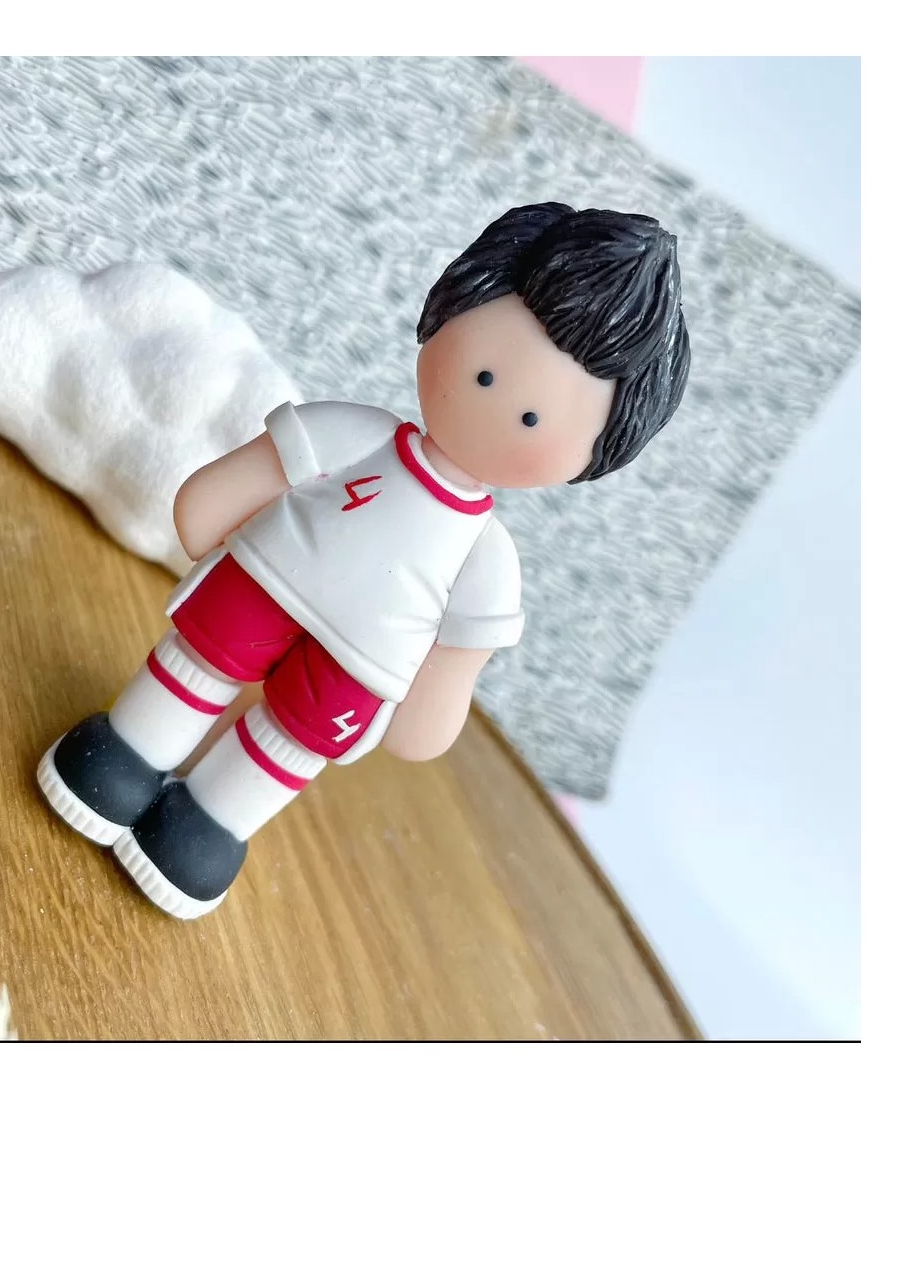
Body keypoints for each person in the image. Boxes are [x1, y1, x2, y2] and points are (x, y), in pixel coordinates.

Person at [38, 203, 691, 918]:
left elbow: (458, 658)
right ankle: (126, 754)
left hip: (361, 664)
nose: (497, 409)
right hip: (268, 577)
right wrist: (212, 506)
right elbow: (273, 463)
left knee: (291, 740)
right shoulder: (363, 435)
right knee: (200, 661)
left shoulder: (486, 557)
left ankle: (203, 826)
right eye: (483, 376)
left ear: (595, 456)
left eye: (532, 420)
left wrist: (426, 710)